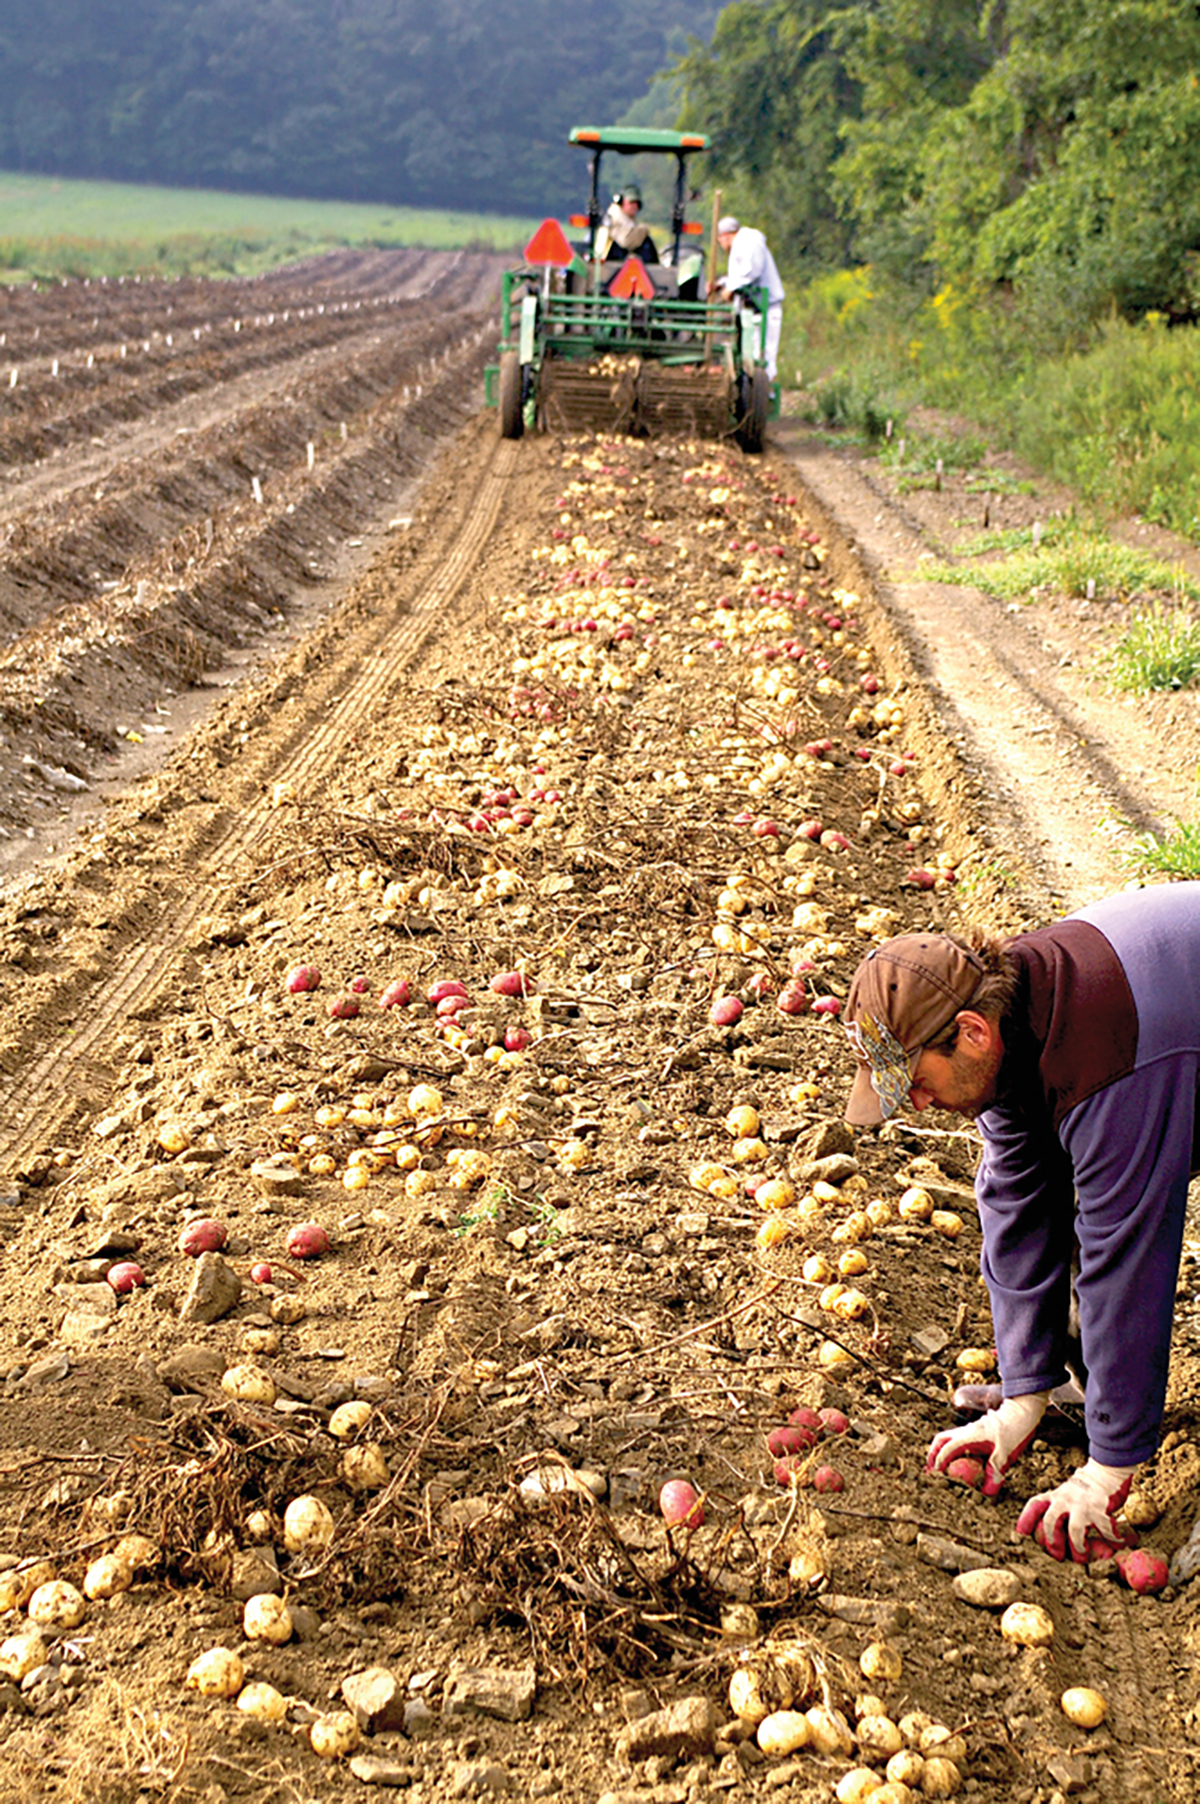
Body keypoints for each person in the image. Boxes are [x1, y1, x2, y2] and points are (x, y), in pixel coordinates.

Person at [841, 885, 1200, 1564]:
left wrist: (1107, 1472)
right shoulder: (1012, 1024)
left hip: (1169, 1034)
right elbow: (1016, 1200)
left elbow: (1126, 1254)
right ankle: (1078, 1394)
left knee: (1117, 1234)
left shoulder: (1105, 1056)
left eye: (915, 1080)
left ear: (971, 1033)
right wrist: (1022, 1396)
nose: (916, 1103)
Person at [714, 216, 785, 380]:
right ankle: (752, 391)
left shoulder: (749, 240)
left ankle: (766, 393)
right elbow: (738, 275)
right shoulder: (740, 246)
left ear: (723, 236)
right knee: (751, 356)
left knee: (765, 356)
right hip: (753, 310)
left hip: (767, 309)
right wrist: (721, 284)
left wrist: (730, 289)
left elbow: (752, 271)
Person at [598, 182, 661, 266]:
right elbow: (626, 242)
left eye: (636, 203)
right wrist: (644, 230)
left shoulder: (630, 222)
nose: (634, 206)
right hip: (611, 264)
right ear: (621, 202)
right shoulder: (614, 219)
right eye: (631, 202)